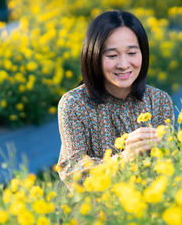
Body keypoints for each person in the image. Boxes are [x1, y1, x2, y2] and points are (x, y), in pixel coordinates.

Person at [57, 10, 174, 191]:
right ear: (94, 57)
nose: (124, 64)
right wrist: (124, 158)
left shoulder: (159, 100)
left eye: (132, 53)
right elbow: (74, 173)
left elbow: (171, 165)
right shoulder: (73, 104)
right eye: (112, 56)